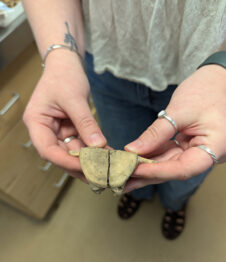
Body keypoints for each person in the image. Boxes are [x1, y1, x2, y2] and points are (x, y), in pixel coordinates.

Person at [22, 0, 226, 239]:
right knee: (121, 157)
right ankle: (135, 195)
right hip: (106, 64)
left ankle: (175, 205)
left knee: (186, 169)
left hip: (207, 78)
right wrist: (60, 58)